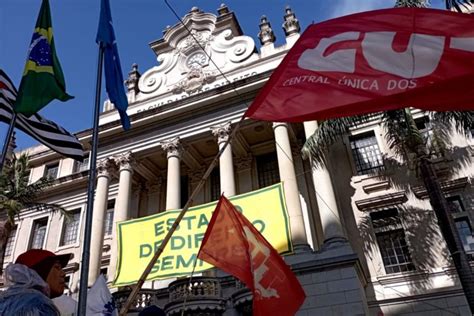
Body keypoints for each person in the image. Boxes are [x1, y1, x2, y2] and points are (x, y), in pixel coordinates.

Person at [0, 248, 72, 315]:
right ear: (40, 271)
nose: (63, 274)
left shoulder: (5, 303)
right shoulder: (40, 304)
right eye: (57, 267)